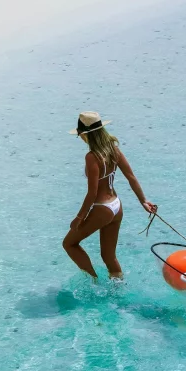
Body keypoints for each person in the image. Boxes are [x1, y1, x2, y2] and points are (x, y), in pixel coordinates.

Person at [63, 111, 157, 280]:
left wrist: (79, 217)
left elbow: (92, 193)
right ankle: (118, 289)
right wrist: (144, 201)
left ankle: (93, 282)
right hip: (116, 206)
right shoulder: (114, 150)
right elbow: (131, 177)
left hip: (102, 209)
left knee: (69, 244)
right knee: (109, 256)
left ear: (85, 135)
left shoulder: (92, 157)